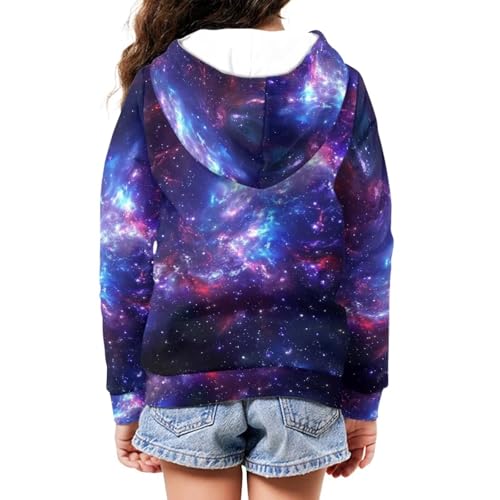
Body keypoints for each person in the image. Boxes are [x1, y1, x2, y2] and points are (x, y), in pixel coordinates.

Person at [99, 1, 394, 498]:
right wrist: (363, 393)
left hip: (185, 371)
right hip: (302, 370)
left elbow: (122, 249)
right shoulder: (339, 84)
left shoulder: (159, 84)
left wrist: (127, 393)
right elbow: (369, 252)